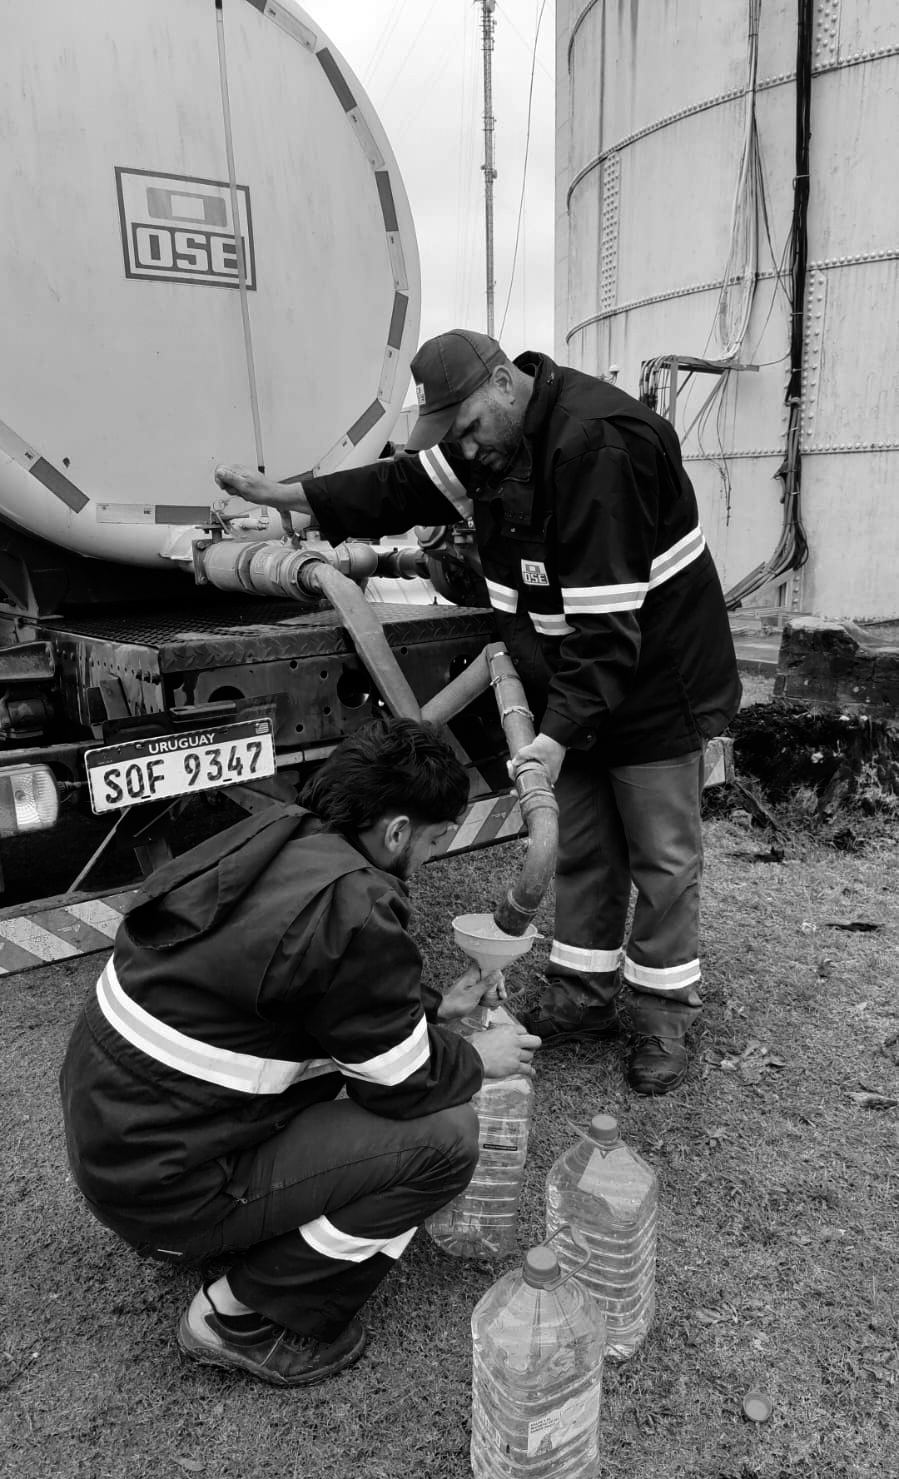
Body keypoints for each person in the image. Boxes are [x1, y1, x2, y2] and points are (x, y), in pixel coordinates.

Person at [215, 330, 742, 1096]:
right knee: (582, 847)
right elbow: (395, 488)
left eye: (465, 428)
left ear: (504, 383)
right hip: (577, 682)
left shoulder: (598, 449)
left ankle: (663, 1019)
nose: (461, 448)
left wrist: (553, 735)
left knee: (661, 857)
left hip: (655, 678)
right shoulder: (490, 440)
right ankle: (582, 997)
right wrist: (284, 497)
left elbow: (607, 632)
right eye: (450, 434)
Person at [59, 719, 539, 1388]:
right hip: (165, 1188)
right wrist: (476, 1056)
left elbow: (301, 988)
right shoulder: (357, 903)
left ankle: (244, 1231)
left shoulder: (281, 834)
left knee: (360, 1089)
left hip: (122, 1143)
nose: (430, 857)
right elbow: (399, 1084)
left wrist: (434, 1009)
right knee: (447, 1136)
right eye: (433, 839)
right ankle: (236, 1314)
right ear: (396, 831)